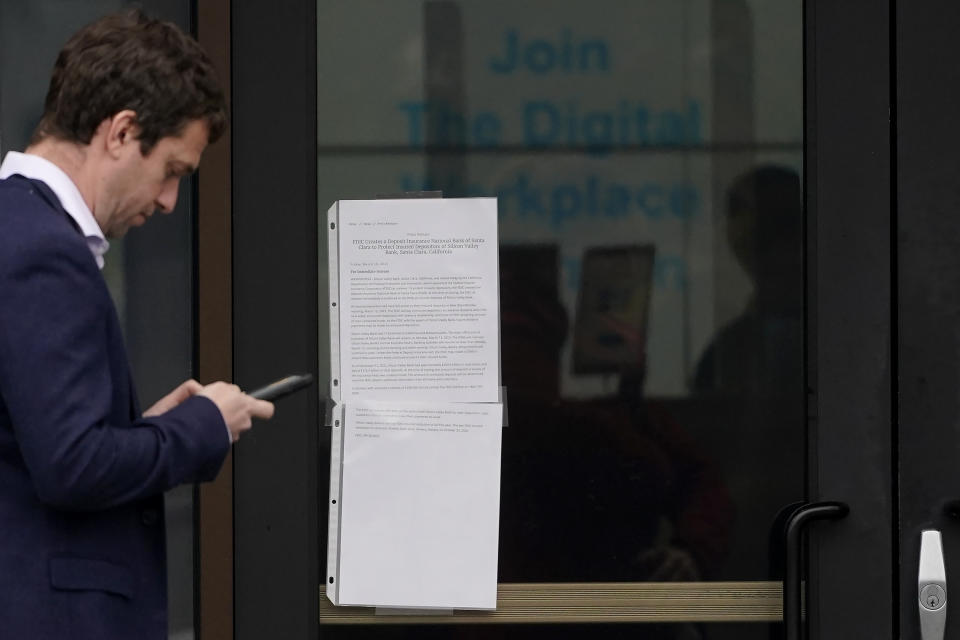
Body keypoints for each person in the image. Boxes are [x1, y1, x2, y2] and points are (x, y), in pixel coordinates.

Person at [0, 10, 273, 639]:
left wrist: (150, 430)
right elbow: (71, 465)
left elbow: (37, 443)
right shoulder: (43, 248)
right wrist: (202, 427)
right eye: (173, 170)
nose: (171, 200)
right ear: (121, 132)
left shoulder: (22, 230)